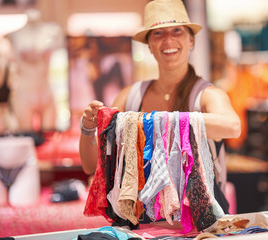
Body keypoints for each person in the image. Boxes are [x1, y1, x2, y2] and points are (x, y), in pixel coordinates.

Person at [79, 0, 241, 225]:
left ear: (190, 40)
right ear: (149, 45)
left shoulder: (207, 96)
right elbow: (92, 167)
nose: (168, 40)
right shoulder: (131, 97)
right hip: (139, 226)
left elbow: (233, 126)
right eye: (158, 34)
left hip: (198, 228)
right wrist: (87, 128)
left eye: (177, 31)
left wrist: (161, 121)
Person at [7, 8, 64, 132]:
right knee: (26, 137)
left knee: (49, 137)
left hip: (46, 91)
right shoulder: (15, 35)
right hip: (24, 93)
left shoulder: (52, 32)